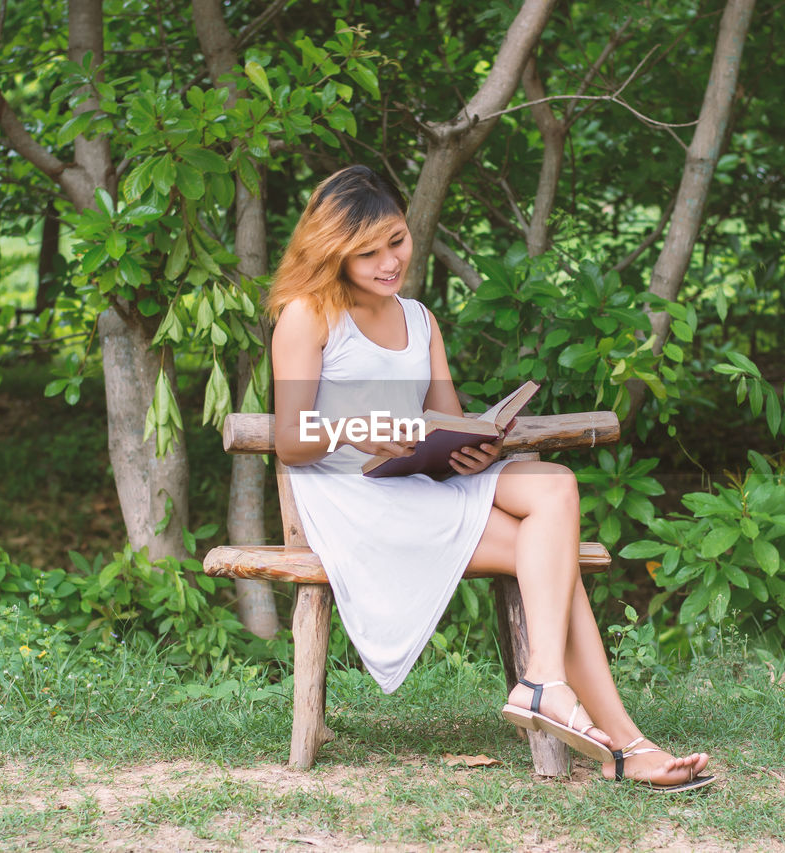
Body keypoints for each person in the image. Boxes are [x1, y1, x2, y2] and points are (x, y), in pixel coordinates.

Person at [268, 165, 711, 791]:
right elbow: (290, 440)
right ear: (332, 254)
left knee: (553, 484)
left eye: (395, 240)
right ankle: (622, 743)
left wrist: (467, 449)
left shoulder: (419, 319)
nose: (388, 261)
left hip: (418, 482)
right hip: (356, 499)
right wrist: (355, 429)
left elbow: (447, 419)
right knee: (552, 558)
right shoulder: (309, 316)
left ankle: (548, 685)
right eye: (365, 253)